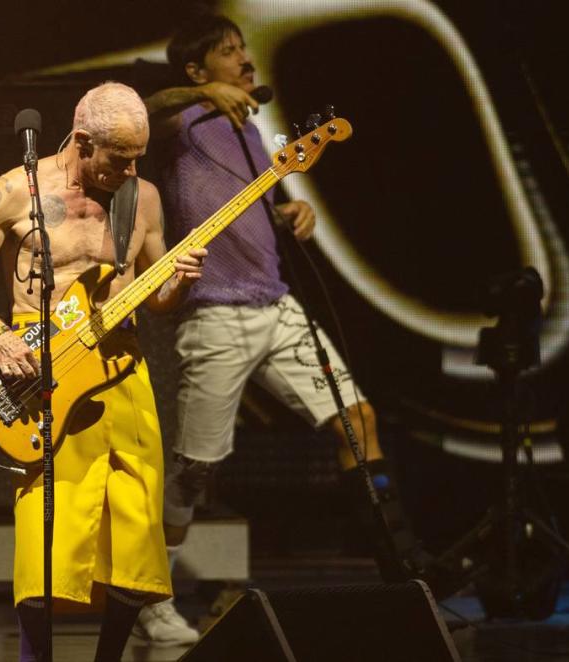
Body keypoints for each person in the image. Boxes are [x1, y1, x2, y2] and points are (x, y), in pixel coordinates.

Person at [134, 14, 433, 644]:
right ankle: (149, 598)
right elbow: (144, 107)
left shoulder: (249, 129)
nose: (245, 61)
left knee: (360, 418)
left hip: (277, 307)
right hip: (215, 315)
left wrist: (290, 209)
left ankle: (402, 574)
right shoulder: (183, 123)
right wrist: (198, 97)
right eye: (229, 53)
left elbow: (252, 202)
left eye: (245, 50)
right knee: (193, 469)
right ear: (196, 70)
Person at [0, 82, 207, 662]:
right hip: (44, 374)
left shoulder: (144, 199)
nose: (131, 169)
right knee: (44, 535)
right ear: (83, 141)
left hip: (123, 369)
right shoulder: (15, 191)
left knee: (136, 526)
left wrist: (177, 282)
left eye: (139, 156)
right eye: (118, 157)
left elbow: (156, 300)